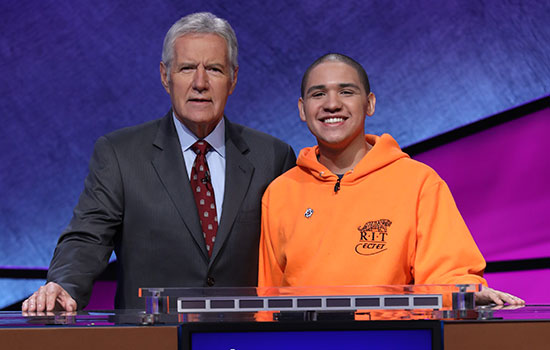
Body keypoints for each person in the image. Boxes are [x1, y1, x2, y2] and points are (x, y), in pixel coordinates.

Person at [22, 12, 295, 312]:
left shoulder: (272, 156)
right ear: (165, 76)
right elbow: (88, 235)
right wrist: (63, 284)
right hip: (151, 337)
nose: (200, 83)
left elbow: (293, 255)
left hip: (241, 339)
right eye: (187, 68)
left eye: (214, 69)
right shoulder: (120, 154)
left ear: (233, 79)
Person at [258, 53, 523, 305]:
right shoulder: (280, 192)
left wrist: (467, 292)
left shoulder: (419, 183)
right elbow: (266, 297)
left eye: (346, 92)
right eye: (318, 94)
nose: (332, 104)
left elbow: (449, 275)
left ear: (370, 103)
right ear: (303, 110)